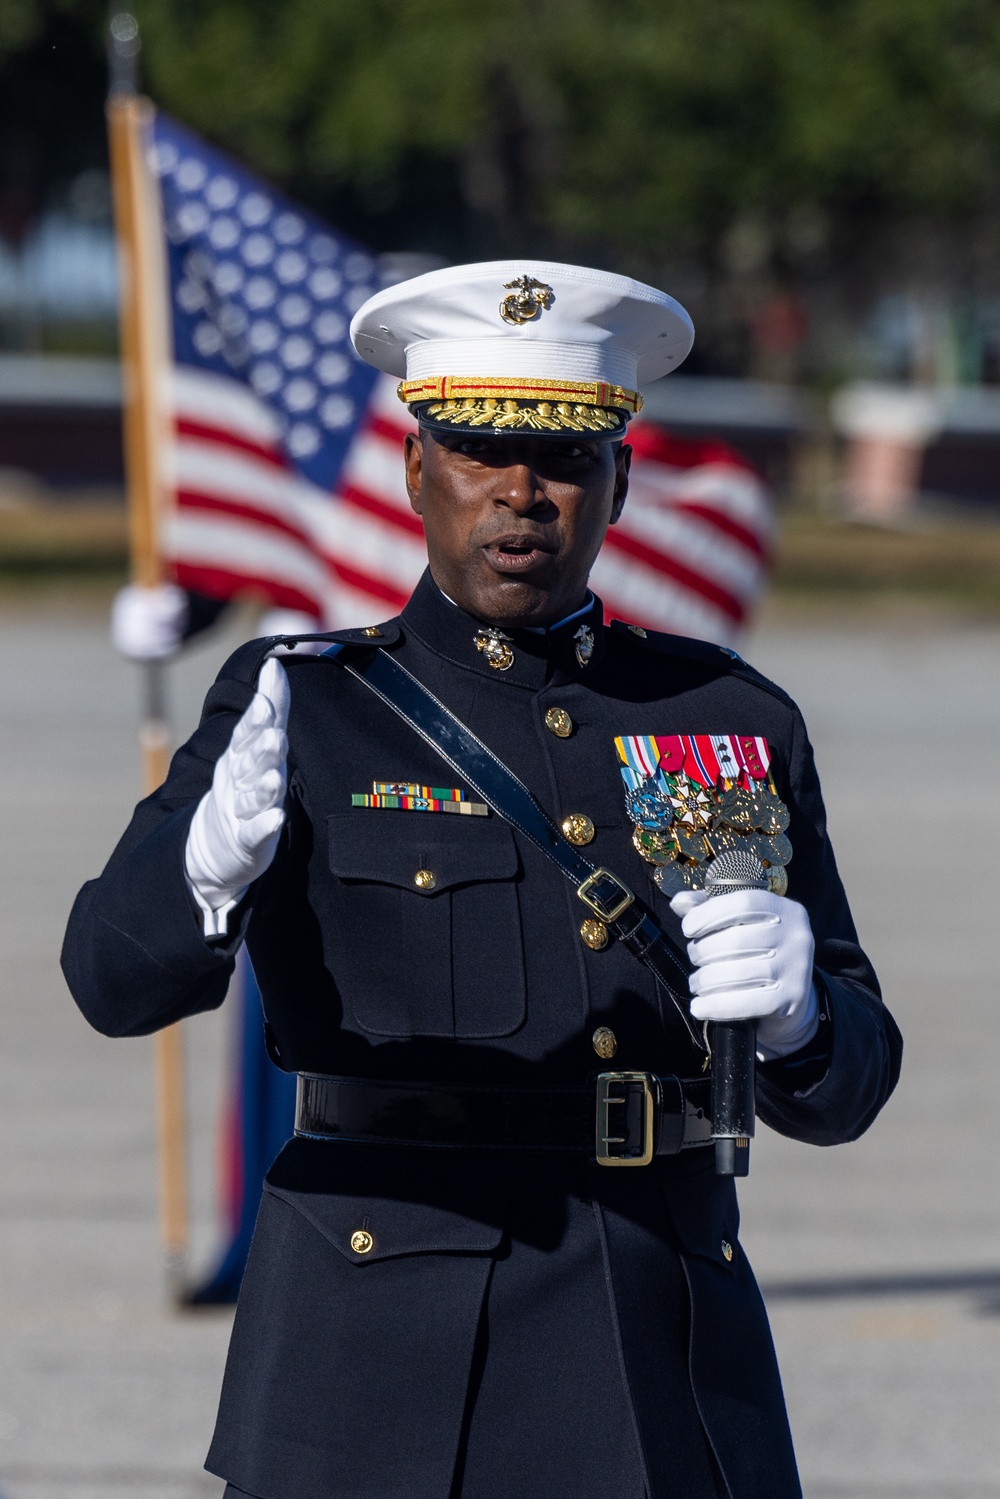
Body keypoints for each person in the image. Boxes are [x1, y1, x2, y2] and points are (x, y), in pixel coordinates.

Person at [62, 259, 901, 1499]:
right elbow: (109, 980)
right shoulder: (307, 706)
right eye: (476, 450)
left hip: (651, 1339)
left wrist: (804, 1022)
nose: (520, 492)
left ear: (617, 478)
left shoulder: (721, 715)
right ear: (415, 470)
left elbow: (850, 1083)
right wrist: (199, 876)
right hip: (374, 1351)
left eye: (563, 457)